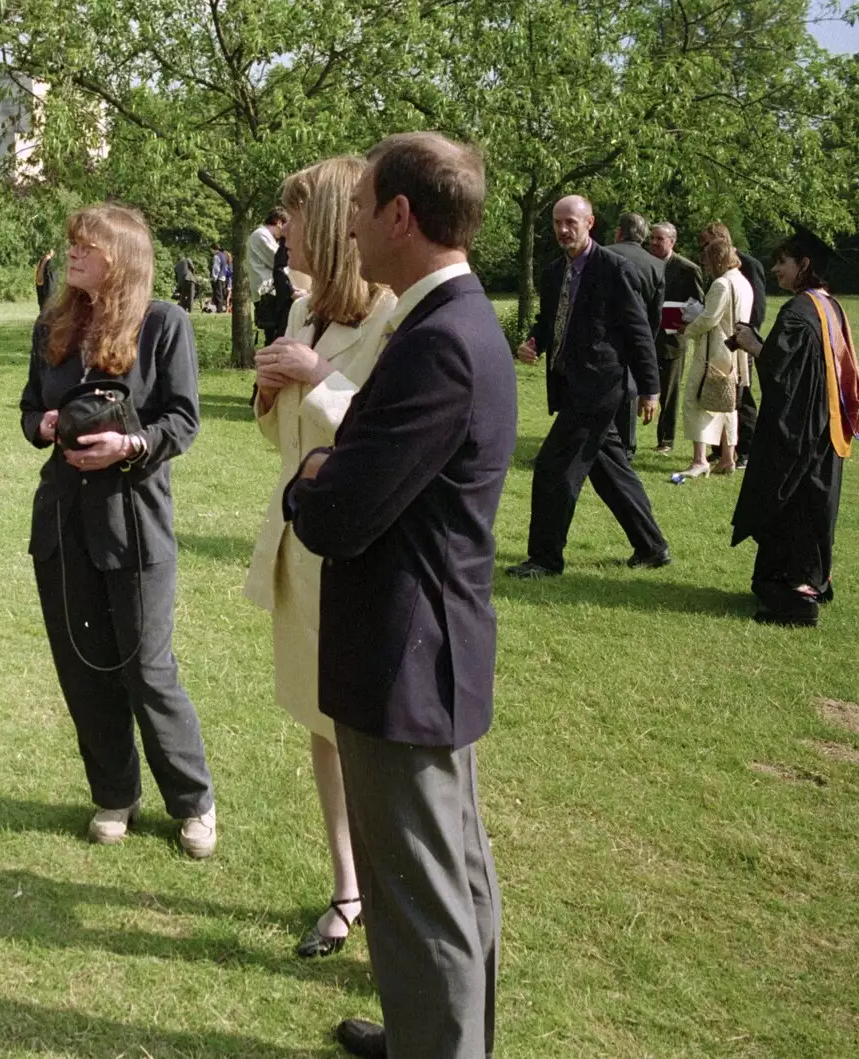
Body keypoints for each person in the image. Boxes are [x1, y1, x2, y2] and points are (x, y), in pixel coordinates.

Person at [285, 131, 512, 1059]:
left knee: (422, 889)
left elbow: (337, 512)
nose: (350, 224)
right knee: (447, 872)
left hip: (407, 652)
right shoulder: (446, 319)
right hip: (425, 646)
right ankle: (431, 1035)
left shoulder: (439, 339)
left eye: (363, 201)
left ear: (400, 216)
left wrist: (310, 473)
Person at [20, 204, 218, 857]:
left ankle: (192, 802)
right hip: (62, 519)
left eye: (87, 247)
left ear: (123, 256)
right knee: (83, 668)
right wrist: (44, 426)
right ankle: (115, 794)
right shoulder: (53, 323)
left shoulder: (164, 323)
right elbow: (28, 409)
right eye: (72, 244)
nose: (72, 254)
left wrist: (129, 444)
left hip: (132, 520)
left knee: (147, 668)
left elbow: (183, 420)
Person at [244, 155, 396, 960]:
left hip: (354, 559)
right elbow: (288, 439)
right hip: (299, 551)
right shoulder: (306, 315)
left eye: (294, 215)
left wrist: (319, 377)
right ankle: (347, 886)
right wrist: (274, 395)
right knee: (320, 722)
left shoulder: (392, 316)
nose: (283, 229)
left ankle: (387, 901)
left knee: (362, 735)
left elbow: (386, 435)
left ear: (337, 224)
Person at [510, 195, 668, 578]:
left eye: (571, 223)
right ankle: (652, 546)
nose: (564, 230)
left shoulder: (614, 270)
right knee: (608, 468)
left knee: (553, 467)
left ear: (590, 223)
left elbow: (639, 333)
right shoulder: (553, 273)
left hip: (600, 387)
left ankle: (544, 559)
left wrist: (651, 389)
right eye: (558, 223)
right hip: (569, 385)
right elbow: (551, 322)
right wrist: (534, 342)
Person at [730, 226, 859, 627]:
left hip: (802, 438)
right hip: (825, 433)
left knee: (793, 510)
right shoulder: (829, 306)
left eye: (782, 262)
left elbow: (785, 376)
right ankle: (813, 582)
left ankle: (797, 601)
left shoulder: (798, 312)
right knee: (814, 511)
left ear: (804, 265)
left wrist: (753, 344)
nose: (775, 269)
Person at [674, 228, 754, 479]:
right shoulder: (742, 281)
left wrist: (686, 328)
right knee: (726, 404)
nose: (706, 266)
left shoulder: (722, 283)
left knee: (695, 401)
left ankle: (700, 460)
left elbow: (709, 319)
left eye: (708, 261)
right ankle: (728, 458)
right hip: (735, 349)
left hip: (715, 349)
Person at [700, 222, 768, 464]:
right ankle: (721, 449)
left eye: (707, 242)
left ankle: (746, 450)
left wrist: (744, 337)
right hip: (720, 341)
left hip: (741, 340)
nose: (704, 248)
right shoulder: (716, 268)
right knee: (719, 393)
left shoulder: (749, 265)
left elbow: (757, 309)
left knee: (741, 396)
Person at [601, 212, 665, 457]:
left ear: (619, 232)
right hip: (637, 336)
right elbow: (655, 314)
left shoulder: (603, 255)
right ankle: (626, 446)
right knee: (629, 392)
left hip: (604, 335)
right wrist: (647, 341)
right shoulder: (656, 265)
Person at [649, 222, 705, 453]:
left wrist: (677, 317)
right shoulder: (645, 264)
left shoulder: (687, 269)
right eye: (652, 238)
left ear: (672, 241)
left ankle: (666, 440)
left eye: (659, 239)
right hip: (646, 337)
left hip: (672, 339)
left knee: (669, 392)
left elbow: (699, 304)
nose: (654, 243)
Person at [247, 207, 290, 345]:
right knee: (273, 335)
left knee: (275, 334)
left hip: (268, 292)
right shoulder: (261, 235)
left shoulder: (262, 235)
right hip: (267, 293)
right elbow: (280, 260)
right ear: (278, 222)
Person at [209, 245, 231, 312]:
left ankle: (219, 309)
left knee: (218, 294)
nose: (211, 252)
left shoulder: (216, 256)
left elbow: (216, 268)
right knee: (221, 294)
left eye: (211, 250)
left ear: (213, 249)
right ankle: (221, 308)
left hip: (218, 277)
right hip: (223, 277)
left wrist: (214, 278)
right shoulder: (223, 255)